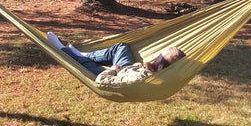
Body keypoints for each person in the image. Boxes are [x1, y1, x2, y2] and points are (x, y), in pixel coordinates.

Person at [46, 32, 185, 85]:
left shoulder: (139, 79)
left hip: (117, 74)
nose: (157, 56)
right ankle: (85, 54)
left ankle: (62, 49)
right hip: (127, 68)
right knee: (121, 47)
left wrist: (112, 70)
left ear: (160, 67)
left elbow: (105, 80)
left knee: (83, 64)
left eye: (160, 56)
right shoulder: (160, 73)